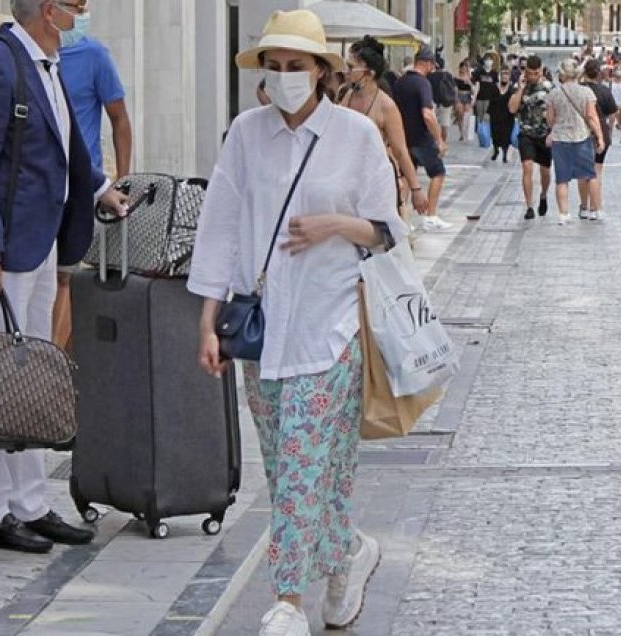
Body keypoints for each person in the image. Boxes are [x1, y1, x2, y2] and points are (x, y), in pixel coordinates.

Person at [188, 11, 406, 635]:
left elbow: (387, 230)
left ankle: (287, 601)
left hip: (330, 329)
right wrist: (208, 322)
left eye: (296, 67)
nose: (284, 77)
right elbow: (221, 230)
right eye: (274, 67)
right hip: (262, 334)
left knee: (305, 467)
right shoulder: (245, 134)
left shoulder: (355, 137)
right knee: (295, 472)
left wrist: (334, 225)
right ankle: (347, 559)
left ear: (321, 71)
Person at [0, 0, 127, 554]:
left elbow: (67, 146)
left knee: (29, 375)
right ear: (47, 9)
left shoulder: (49, 64)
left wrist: (101, 188)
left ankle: (29, 501)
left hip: (43, 243)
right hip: (5, 252)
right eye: (74, 3)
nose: (82, 10)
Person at [54, 17, 133, 351]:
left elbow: (120, 119)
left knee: (66, 279)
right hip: (41, 189)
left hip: (84, 190)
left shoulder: (94, 55)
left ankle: (53, 366)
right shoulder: (27, 58)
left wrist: (123, 180)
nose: (81, 13)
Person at [341, 35, 429, 217]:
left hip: (376, 182)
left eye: (350, 67)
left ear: (368, 74)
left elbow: (400, 151)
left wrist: (416, 189)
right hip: (347, 178)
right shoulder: (347, 96)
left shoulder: (386, 106)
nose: (345, 72)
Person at [393, 45, 451, 232]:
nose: (432, 69)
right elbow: (427, 114)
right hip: (422, 139)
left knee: (407, 178)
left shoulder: (400, 82)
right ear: (425, 63)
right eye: (431, 65)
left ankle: (401, 218)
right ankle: (431, 216)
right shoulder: (423, 83)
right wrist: (439, 139)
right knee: (438, 173)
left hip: (403, 138)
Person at [545, 59, 605, 225]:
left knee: (562, 179)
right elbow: (592, 117)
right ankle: (596, 210)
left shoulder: (554, 94)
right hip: (582, 137)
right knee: (590, 175)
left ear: (562, 74)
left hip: (560, 139)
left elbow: (549, 120)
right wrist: (600, 136)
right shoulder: (586, 92)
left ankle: (563, 214)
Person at [509, 54, 553, 220]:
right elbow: (512, 109)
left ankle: (543, 195)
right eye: (529, 73)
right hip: (526, 133)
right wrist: (520, 88)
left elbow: (556, 110)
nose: (532, 77)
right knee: (527, 166)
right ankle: (529, 206)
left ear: (540, 71)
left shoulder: (549, 87)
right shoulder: (520, 86)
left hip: (544, 135)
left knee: (545, 171)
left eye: (535, 73)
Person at [578, 59, 617, 221]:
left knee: (582, 172)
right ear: (599, 73)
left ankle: (584, 206)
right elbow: (612, 113)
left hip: (581, 133)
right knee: (596, 171)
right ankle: (596, 208)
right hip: (601, 131)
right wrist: (609, 130)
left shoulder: (579, 91)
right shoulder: (604, 91)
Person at [488, 69, 515, 163]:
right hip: (495, 115)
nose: (504, 77)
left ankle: (504, 154)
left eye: (506, 76)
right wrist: (487, 114)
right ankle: (496, 151)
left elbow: (514, 102)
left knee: (506, 135)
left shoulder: (512, 89)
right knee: (495, 134)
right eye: (503, 76)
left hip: (507, 117)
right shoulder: (494, 87)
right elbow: (490, 101)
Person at [428, 62, 456, 143]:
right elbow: (454, 88)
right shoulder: (448, 75)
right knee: (444, 126)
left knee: (433, 125)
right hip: (446, 103)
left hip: (434, 103)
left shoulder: (430, 76)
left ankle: (435, 143)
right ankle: (443, 143)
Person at [471, 53, 498, 129]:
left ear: (492, 61)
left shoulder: (494, 73)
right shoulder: (479, 72)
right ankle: (480, 132)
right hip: (480, 99)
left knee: (487, 118)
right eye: (487, 60)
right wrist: (474, 99)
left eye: (490, 60)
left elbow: (496, 87)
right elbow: (477, 86)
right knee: (479, 118)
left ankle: (486, 134)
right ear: (484, 61)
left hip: (490, 99)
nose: (488, 62)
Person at [454, 59, 473, 141]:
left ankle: (466, 132)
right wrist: (457, 100)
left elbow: (473, 90)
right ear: (460, 68)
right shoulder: (456, 78)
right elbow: (455, 89)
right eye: (463, 68)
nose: (464, 70)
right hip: (460, 95)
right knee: (460, 114)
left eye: (466, 68)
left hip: (468, 96)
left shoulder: (470, 78)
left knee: (467, 115)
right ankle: (461, 132)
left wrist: (469, 83)